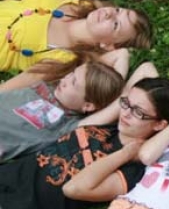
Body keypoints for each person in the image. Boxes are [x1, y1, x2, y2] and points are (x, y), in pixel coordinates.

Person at [0, 76, 169, 209]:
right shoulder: (109, 125)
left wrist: (125, 154)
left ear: (159, 124)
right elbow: (145, 68)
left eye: (138, 112)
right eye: (126, 103)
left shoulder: (133, 171)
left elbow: (73, 188)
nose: (125, 113)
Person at [0, 49, 130, 163]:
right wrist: (112, 85)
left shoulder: (67, 125)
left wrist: (114, 94)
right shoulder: (51, 86)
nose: (65, 79)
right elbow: (121, 54)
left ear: (88, 106)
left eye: (74, 82)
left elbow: (116, 105)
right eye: (71, 73)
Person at [0, 0, 152, 72]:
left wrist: (120, 57)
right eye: (118, 10)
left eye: (116, 24)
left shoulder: (62, 58)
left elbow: (5, 92)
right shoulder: (80, 5)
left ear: (108, 45)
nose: (109, 13)